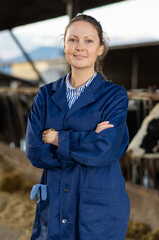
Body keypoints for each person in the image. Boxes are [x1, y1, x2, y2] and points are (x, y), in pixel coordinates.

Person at [25, 14, 130, 239]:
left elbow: (106, 150)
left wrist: (57, 139)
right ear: (64, 45)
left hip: (97, 208)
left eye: (88, 41)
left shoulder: (114, 96)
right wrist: (88, 140)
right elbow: (34, 152)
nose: (79, 47)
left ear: (100, 48)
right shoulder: (45, 95)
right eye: (73, 40)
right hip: (55, 205)